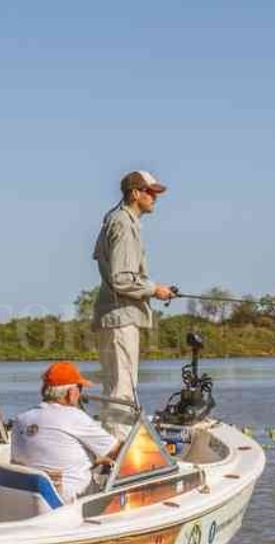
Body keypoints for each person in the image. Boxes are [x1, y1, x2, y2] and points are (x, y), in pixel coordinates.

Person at [92, 170, 176, 440]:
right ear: (135, 193)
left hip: (114, 316)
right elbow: (121, 278)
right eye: (150, 192)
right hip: (121, 317)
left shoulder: (114, 220)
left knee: (115, 387)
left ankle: (114, 444)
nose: (155, 198)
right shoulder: (124, 225)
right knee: (122, 390)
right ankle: (119, 451)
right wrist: (155, 289)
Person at [11, 362, 121, 501]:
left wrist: (95, 459)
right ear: (71, 393)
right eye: (80, 388)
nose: (81, 393)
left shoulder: (21, 420)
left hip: (29, 498)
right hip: (71, 503)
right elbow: (117, 451)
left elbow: (51, 455)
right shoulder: (75, 417)